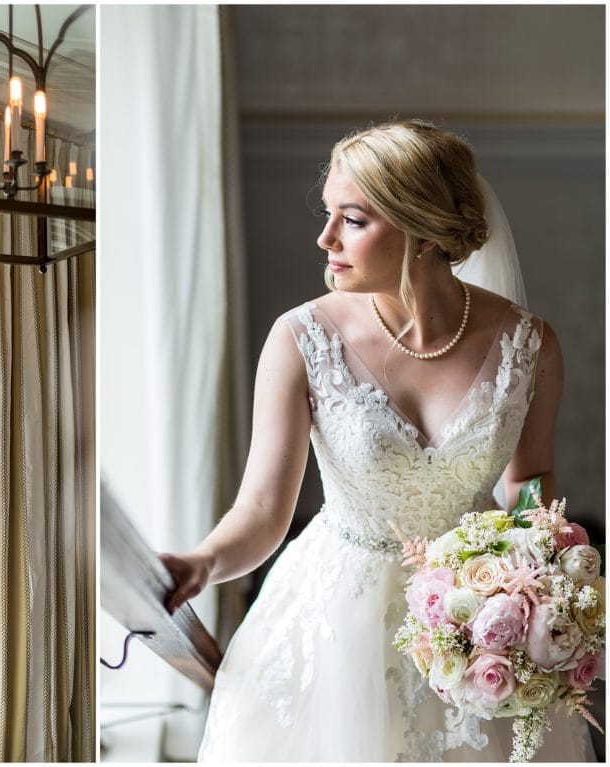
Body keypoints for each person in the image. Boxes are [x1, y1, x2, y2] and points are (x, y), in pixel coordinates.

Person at [159, 120, 597, 761]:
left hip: (475, 625)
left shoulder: (528, 344)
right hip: (335, 626)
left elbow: (529, 487)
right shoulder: (300, 338)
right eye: (330, 214)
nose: (325, 237)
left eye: (353, 220)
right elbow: (260, 512)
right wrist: (201, 562)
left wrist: (536, 589)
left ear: (422, 232)